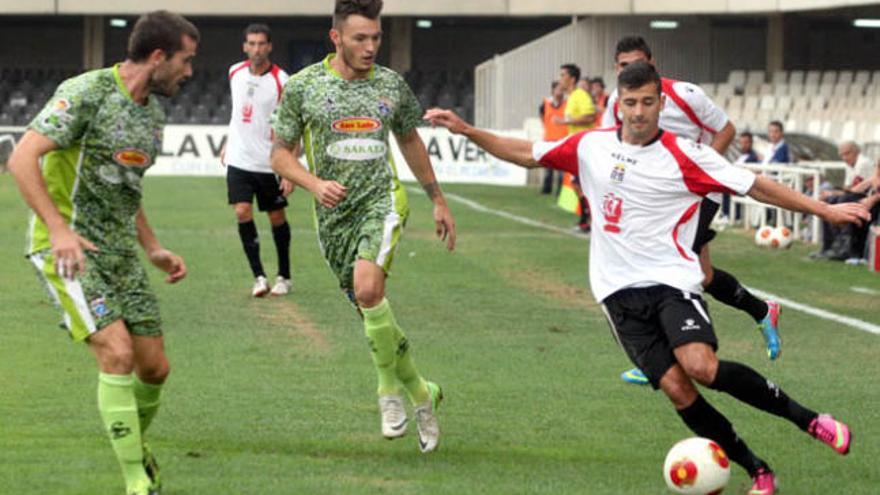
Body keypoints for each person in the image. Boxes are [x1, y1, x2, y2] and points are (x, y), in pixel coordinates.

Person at [425, 61, 867, 495]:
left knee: (701, 367)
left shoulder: (684, 155)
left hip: (672, 280)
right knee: (678, 389)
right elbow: (525, 152)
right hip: (616, 294)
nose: (638, 112)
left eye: (648, 103)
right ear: (619, 104)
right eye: (631, 103)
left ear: (661, 104)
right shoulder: (591, 146)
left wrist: (824, 210)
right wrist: (467, 130)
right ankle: (757, 470)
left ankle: (810, 420)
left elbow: (753, 184)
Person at [7, 11, 198, 495]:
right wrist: (58, 230)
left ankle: (133, 444)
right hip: (69, 251)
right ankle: (137, 480)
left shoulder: (152, 114)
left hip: (120, 255)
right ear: (158, 57)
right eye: (185, 60)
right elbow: (21, 157)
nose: (189, 72)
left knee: (155, 368)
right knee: (117, 354)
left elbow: (124, 190)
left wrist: (152, 247)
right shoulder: (87, 93)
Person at [270, 0, 455, 454]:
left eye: (376, 38)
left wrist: (437, 199)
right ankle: (422, 393)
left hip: (382, 201)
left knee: (369, 290)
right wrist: (312, 184)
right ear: (336, 38)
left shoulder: (390, 85)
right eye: (360, 38)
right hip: (332, 217)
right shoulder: (304, 86)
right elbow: (279, 154)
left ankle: (387, 393)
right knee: (372, 315)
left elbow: (409, 140)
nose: (371, 46)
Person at [601, 36, 779, 386]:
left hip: (697, 190)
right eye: (623, 66)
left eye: (637, 63)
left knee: (669, 264)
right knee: (703, 275)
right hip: (653, 198)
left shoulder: (686, 94)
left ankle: (666, 355)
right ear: (616, 69)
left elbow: (725, 129)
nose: (631, 70)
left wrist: (700, 171)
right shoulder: (616, 102)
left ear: (653, 63)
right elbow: (612, 145)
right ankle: (762, 310)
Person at [222, 23, 295, 297]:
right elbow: (237, 114)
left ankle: (284, 276)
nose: (256, 49)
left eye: (261, 44)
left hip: (269, 163)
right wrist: (228, 144)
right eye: (251, 44)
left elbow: (290, 125)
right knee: (242, 211)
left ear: (269, 47)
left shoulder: (282, 80)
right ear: (244, 47)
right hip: (239, 159)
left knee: (276, 217)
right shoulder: (234, 72)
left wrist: (288, 170)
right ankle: (259, 277)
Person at [812, 144, 878, 261]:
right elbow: (852, 188)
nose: (844, 158)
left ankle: (845, 246)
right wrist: (832, 194)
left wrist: (871, 198)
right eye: (842, 155)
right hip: (866, 195)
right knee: (830, 201)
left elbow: (863, 188)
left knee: (843, 200)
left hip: (872, 199)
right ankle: (829, 246)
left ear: (855, 152)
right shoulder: (852, 166)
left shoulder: (863, 163)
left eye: (846, 154)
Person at [555, 64, 596, 232]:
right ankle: (585, 220)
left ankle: (588, 221)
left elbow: (590, 116)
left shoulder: (580, 95)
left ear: (572, 78)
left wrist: (566, 121)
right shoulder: (571, 97)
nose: (560, 78)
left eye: (563, 75)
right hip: (575, 147)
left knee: (581, 185)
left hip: (584, 146)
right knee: (578, 184)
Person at [539, 80, 567, 194]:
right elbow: (542, 117)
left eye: (562, 89)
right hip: (549, 138)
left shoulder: (567, 103)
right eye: (558, 89)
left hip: (563, 138)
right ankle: (546, 189)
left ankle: (560, 190)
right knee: (548, 167)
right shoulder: (545, 103)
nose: (560, 92)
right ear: (553, 90)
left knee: (561, 168)